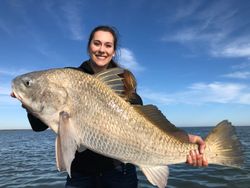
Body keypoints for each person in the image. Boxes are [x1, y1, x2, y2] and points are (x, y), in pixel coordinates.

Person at [26, 25, 208, 188]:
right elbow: (38, 126)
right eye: (97, 43)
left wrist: (187, 138)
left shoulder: (125, 82)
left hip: (119, 174)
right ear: (89, 46)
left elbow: (145, 127)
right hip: (81, 173)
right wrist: (28, 102)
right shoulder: (70, 76)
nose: (101, 49)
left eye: (108, 45)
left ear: (113, 51)